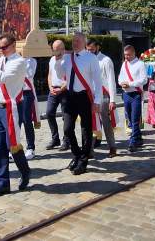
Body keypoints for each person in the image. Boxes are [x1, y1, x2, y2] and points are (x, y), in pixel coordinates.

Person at [0, 33, 30, 197]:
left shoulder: (19, 62)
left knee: (13, 145)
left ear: (13, 45)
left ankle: (25, 171)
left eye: (4, 47)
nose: (1, 50)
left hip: (11, 108)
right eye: (0, 47)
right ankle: (2, 183)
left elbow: (2, 78)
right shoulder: (1, 60)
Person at [53, 32, 103, 175]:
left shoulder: (91, 58)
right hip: (69, 96)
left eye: (77, 41)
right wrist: (58, 60)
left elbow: (98, 80)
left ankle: (83, 161)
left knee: (86, 131)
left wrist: (97, 100)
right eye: (73, 41)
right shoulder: (68, 57)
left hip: (84, 97)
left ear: (84, 43)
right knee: (68, 129)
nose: (74, 43)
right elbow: (59, 74)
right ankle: (77, 154)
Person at [87, 38, 118, 158]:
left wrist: (113, 99)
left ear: (97, 48)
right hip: (90, 95)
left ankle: (112, 147)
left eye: (92, 49)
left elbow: (111, 80)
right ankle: (90, 150)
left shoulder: (105, 60)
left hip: (103, 95)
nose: (89, 52)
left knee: (105, 122)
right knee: (90, 123)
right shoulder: (86, 59)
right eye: (87, 49)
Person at [119, 45, 148, 152]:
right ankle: (138, 137)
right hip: (126, 93)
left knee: (135, 118)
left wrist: (130, 84)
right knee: (130, 117)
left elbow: (144, 79)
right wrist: (121, 83)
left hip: (136, 93)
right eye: (125, 54)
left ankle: (133, 141)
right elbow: (120, 77)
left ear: (134, 53)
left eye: (128, 55)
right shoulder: (124, 64)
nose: (126, 57)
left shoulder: (140, 64)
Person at [46, 40, 69, 151]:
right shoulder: (52, 59)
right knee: (49, 113)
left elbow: (70, 77)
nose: (55, 52)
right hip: (53, 90)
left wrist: (61, 88)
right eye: (53, 50)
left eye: (57, 50)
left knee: (66, 116)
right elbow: (50, 74)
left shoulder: (68, 59)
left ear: (63, 49)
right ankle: (55, 138)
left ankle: (66, 140)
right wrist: (50, 87)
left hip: (64, 90)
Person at [17, 56, 39, 159]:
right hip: (15, 92)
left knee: (27, 121)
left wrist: (22, 62)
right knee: (15, 122)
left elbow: (29, 74)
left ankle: (31, 147)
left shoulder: (31, 60)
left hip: (26, 93)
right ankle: (14, 147)